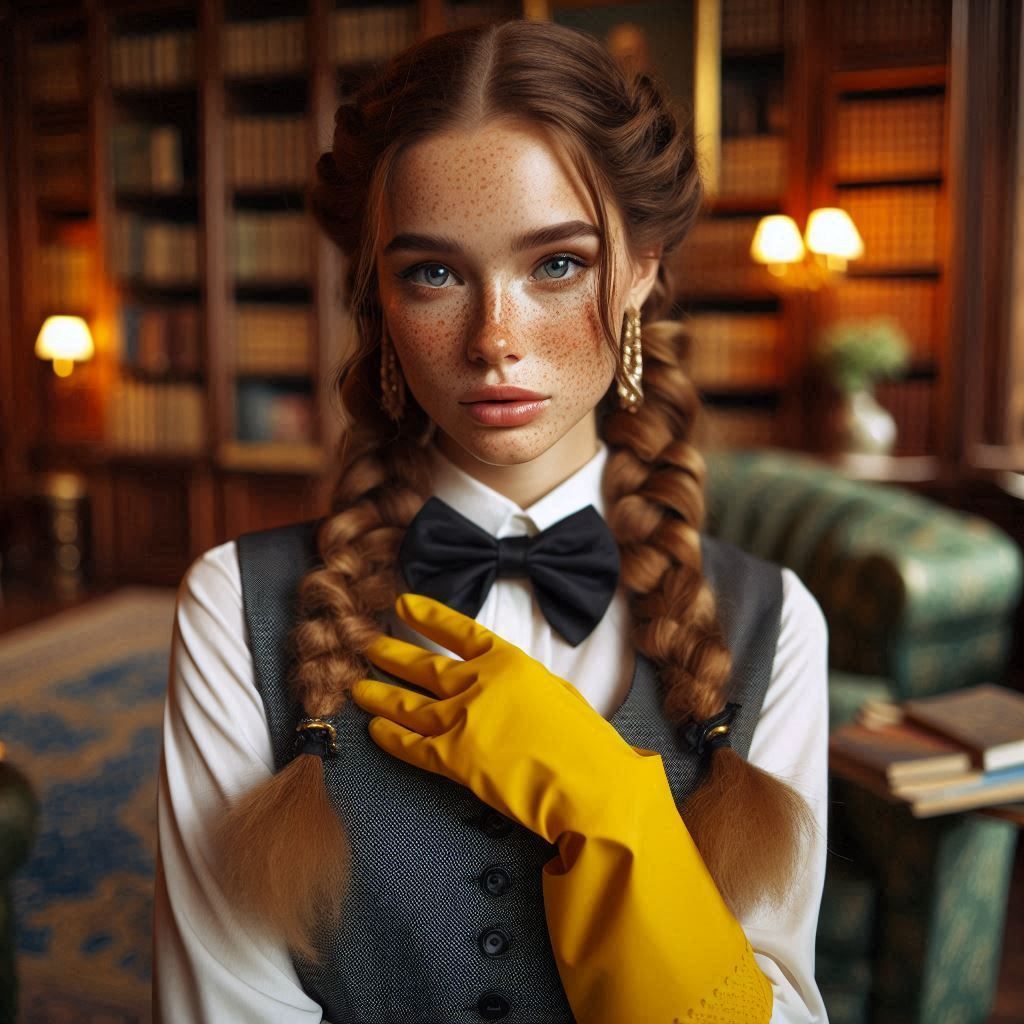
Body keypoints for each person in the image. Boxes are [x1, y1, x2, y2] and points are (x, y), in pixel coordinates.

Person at [154, 18, 829, 1024]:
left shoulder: (775, 620)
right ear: (377, 294)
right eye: (432, 272)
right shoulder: (233, 604)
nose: (493, 341)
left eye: (555, 264)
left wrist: (614, 813)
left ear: (642, 265)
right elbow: (228, 1006)